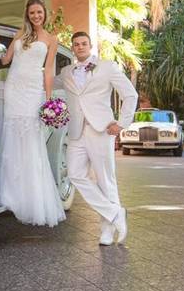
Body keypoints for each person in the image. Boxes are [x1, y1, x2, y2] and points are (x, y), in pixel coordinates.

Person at [55, 31, 138, 245]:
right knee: (74, 174)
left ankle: (107, 231)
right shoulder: (66, 72)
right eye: (76, 44)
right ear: (72, 48)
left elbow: (130, 94)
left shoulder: (107, 67)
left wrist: (122, 123)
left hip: (101, 129)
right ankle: (115, 212)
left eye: (84, 43)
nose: (80, 46)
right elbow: (49, 82)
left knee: (104, 180)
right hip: (76, 131)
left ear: (90, 46)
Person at [0, 0, 66, 227]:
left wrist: (48, 97)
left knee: (31, 138)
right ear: (27, 14)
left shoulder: (51, 40)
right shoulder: (19, 34)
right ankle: (11, 193)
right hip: (13, 88)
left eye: (39, 12)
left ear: (45, 14)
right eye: (32, 12)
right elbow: (6, 60)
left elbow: (49, 70)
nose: (36, 16)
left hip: (33, 90)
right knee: (12, 136)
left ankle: (32, 196)